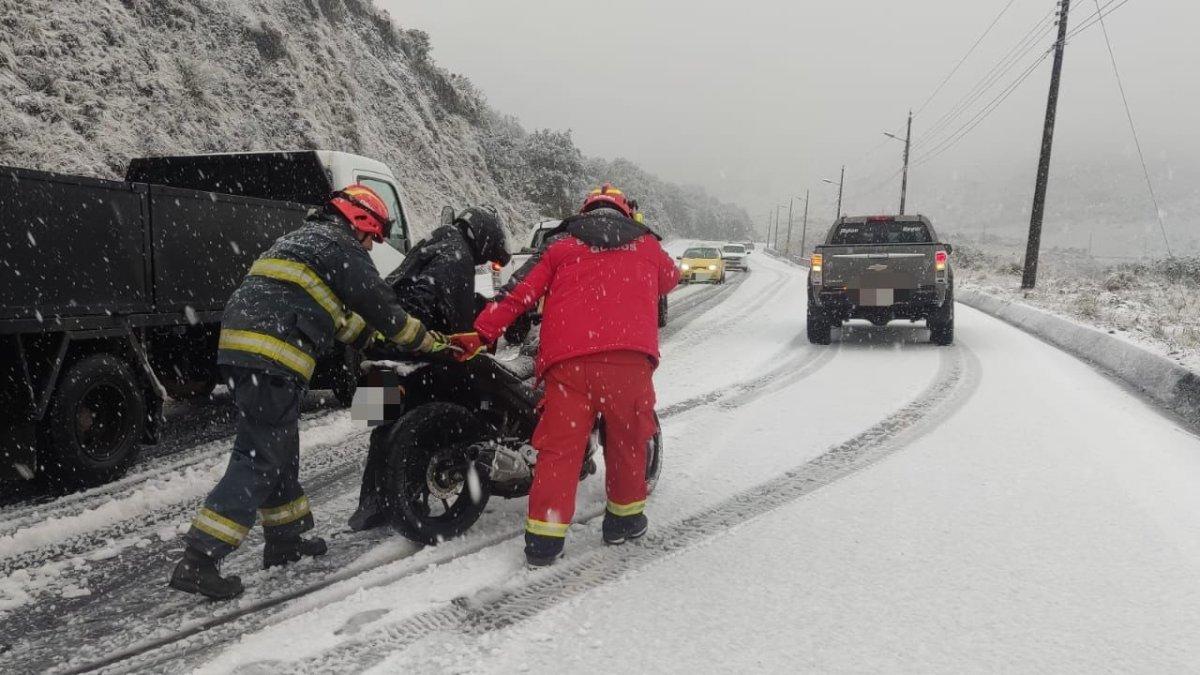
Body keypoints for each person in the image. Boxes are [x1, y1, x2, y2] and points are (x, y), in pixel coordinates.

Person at [169, 184, 451, 600]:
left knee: (278, 447)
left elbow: (340, 319)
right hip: (272, 354)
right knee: (260, 457)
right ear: (359, 222)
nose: (371, 246)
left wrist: (374, 342)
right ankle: (200, 559)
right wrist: (429, 343)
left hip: (243, 351)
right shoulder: (341, 248)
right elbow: (385, 310)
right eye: (372, 237)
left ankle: (285, 541)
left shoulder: (301, 242)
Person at [451, 184, 680, 567]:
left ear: (585, 211)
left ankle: (544, 542)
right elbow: (670, 278)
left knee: (559, 452)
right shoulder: (646, 244)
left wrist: (480, 333)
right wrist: (639, 240)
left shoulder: (561, 244)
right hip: (628, 365)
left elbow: (518, 293)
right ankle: (623, 522)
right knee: (628, 442)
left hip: (570, 365)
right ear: (626, 213)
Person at [347, 206, 513, 531]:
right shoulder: (457, 255)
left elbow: (407, 291)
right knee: (460, 405)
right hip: (410, 349)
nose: (482, 261)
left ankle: (371, 506)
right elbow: (456, 323)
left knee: (382, 427)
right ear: (484, 237)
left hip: (376, 347)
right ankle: (418, 493)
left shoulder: (432, 243)